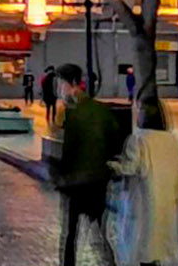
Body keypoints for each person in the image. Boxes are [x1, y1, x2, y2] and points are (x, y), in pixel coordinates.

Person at [52, 63, 116, 266]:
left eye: (61, 84)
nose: (59, 90)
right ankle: (110, 262)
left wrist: (60, 176)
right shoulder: (102, 111)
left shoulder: (73, 114)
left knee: (70, 234)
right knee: (100, 231)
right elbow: (115, 140)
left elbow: (68, 152)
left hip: (76, 183)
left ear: (72, 84)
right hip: (98, 182)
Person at [111, 115, 178, 266]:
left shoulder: (140, 140)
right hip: (167, 205)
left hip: (145, 204)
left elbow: (131, 168)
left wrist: (114, 166)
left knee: (144, 247)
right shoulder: (172, 141)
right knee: (161, 248)